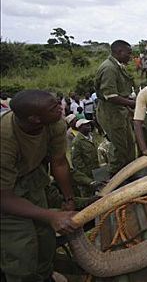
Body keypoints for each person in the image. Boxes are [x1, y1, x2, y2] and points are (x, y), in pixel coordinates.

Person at [1, 90, 78, 281]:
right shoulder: (4, 139)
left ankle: (44, 275)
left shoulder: (54, 123)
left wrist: (68, 199)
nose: (60, 108)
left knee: (45, 241)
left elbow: (59, 162)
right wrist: (51, 215)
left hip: (32, 178)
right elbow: (5, 198)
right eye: (53, 107)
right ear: (35, 118)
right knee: (22, 250)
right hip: (6, 193)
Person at [94, 40, 136, 176]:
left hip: (119, 111)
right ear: (119, 52)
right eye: (128, 53)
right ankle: (114, 180)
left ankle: (129, 175)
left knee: (129, 146)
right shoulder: (109, 69)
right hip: (111, 114)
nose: (130, 56)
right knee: (120, 149)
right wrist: (132, 103)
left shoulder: (117, 66)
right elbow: (110, 96)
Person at [71, 119, 101, 201]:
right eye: (86, 125)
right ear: (80, 128)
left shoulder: (92, 137)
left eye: (89, 124)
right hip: (87, 174)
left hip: (97, 171)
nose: (89, 126)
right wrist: (85, 176)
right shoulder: (77, 142)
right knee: (88, 197)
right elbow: (76, 161)